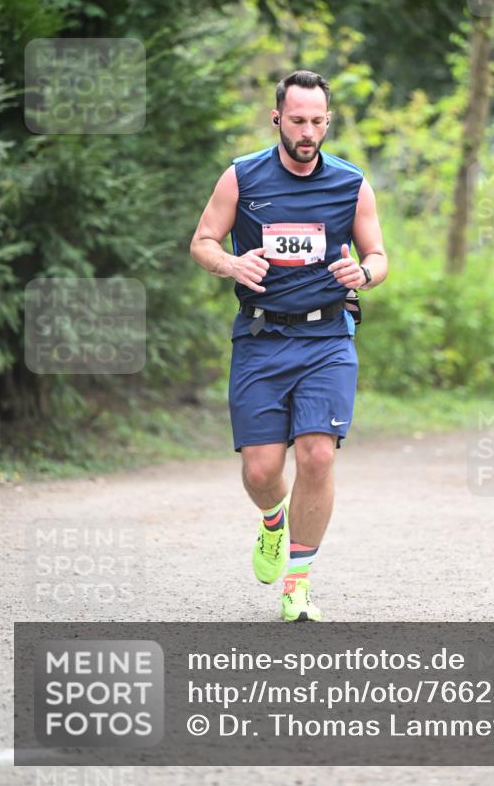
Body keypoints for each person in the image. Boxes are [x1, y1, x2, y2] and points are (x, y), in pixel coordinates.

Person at [190, 69, 387, 622]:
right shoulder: (242, 177)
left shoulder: (351, 183)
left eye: (317, 121)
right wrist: (231, 263)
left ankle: (297, 584)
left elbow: (378, 256)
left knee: (318, 454)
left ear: (329, 121)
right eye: (297, 120)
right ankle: (274, 519)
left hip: (327, 337)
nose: (308, 131)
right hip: (261, 336)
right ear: (277, 118)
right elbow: (202, 241)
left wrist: (363, 274)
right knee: (260, 471)